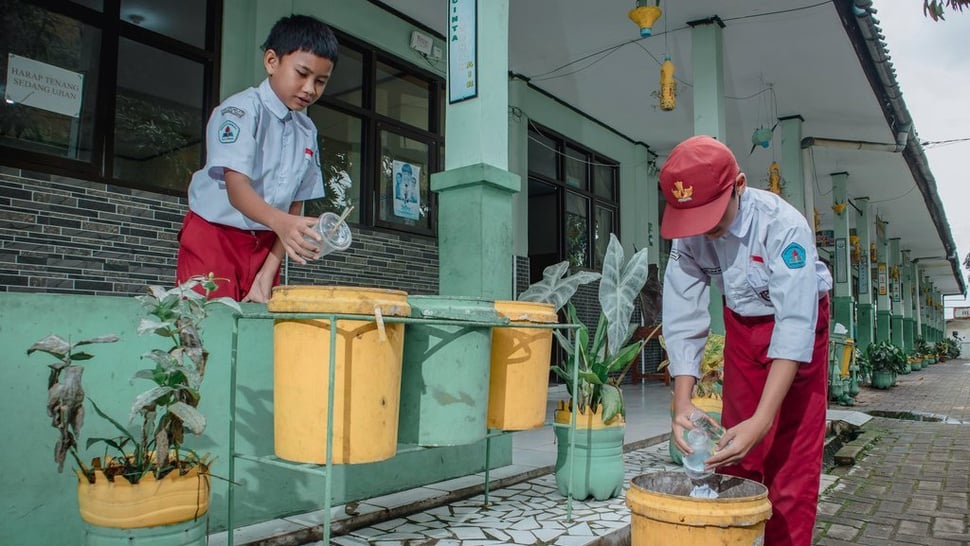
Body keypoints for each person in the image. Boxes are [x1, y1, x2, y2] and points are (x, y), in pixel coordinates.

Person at [659, 135, 832, 545]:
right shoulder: (691, 230)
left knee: (791, 459)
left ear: (738, 185)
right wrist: (682, 402)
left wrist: (764, 418)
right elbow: (683, 312)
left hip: (801, 332)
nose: (705, 230)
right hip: (742, 329)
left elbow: (794, 324)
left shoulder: (783, 225)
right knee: (735, 453)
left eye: (713, 217)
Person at [175, 15, 339, 302]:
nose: (310, 89)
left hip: (266, 244)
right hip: (215, 237)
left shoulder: (307, 130)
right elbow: (237, 190)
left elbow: (295, 205)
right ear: (272, 62)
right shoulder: (240, 111)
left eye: (321, 81)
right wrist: (284, 223)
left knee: (257, 332)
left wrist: (267, 272)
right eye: (302, 73)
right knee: (206, 330)